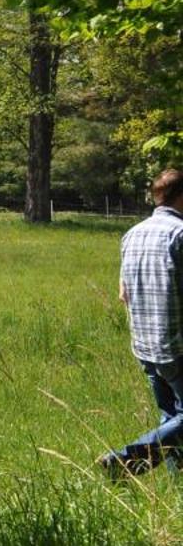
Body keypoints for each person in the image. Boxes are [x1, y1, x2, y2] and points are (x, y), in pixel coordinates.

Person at [99, 168, 183, 476]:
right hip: (176, 345)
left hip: (145, 344)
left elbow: (123, 294)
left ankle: (177, 490)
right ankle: (124, 459)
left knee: (172, 418)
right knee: (179, 420)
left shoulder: (131, 234)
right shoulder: (180, 235)